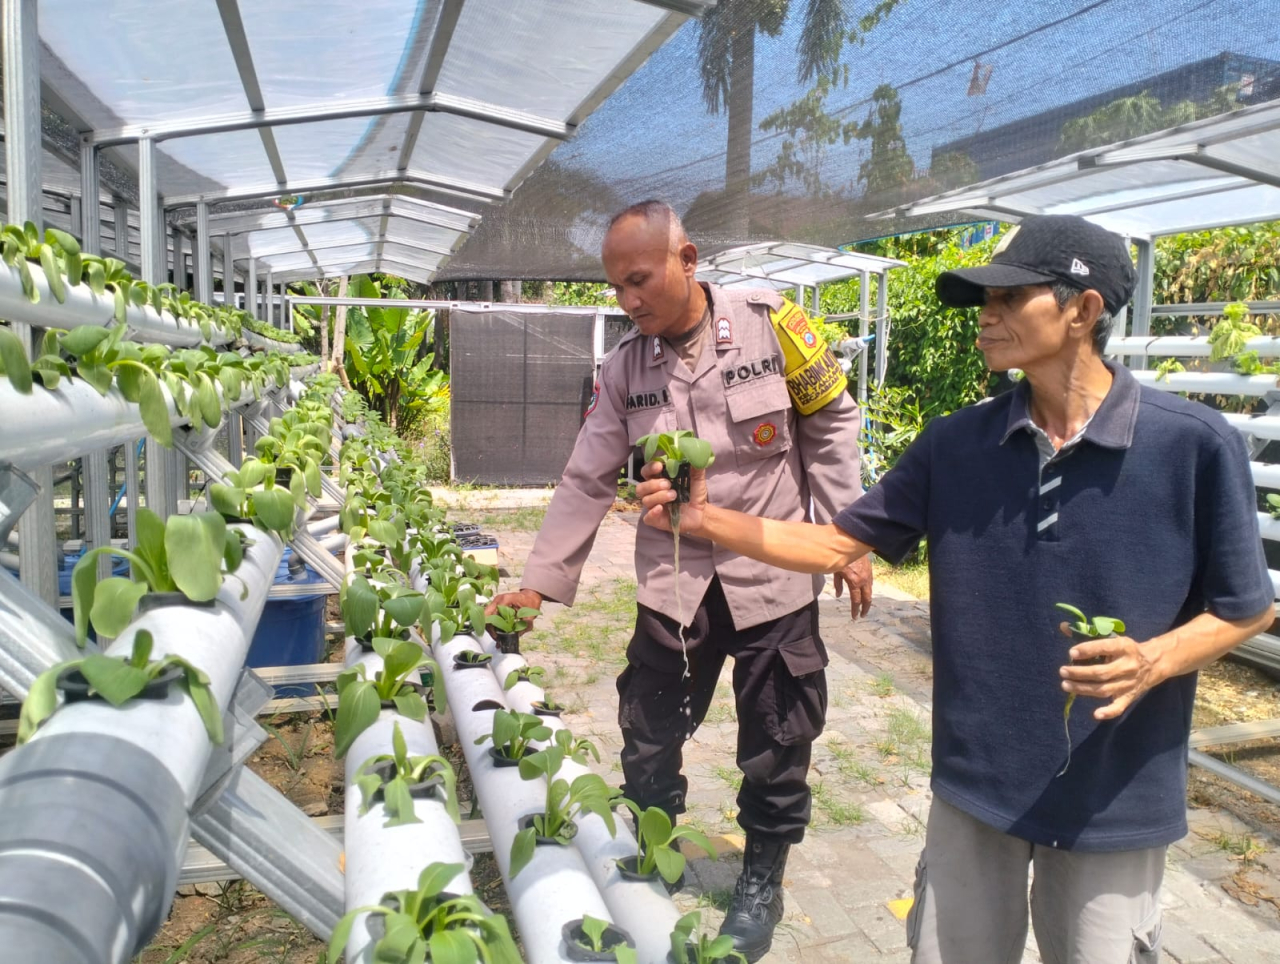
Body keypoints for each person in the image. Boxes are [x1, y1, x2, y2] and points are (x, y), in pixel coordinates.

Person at [637, 214, 1275, 964]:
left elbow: (1246, 608)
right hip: (975, 783)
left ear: (1083, 310)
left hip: (1115, 795)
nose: (987, 316)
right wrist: (703, 520)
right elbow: (836, 544)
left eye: (1009, 298)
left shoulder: (1192, 444)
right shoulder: (955, 444)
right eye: (982, 301)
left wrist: (1154, 661)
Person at [486, 199, 873, 959]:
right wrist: (538, 581)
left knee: (779, 735)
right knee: (648, 728)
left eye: (639, 280)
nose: (628, 300)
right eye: (616, 287)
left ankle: (761, 878)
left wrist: (848, 536)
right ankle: (652, 846)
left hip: (772, 576)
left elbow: (832, 424)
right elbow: (586, 477)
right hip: (675, 582)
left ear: (686, 260)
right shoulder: (624, 368)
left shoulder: (773, 326)